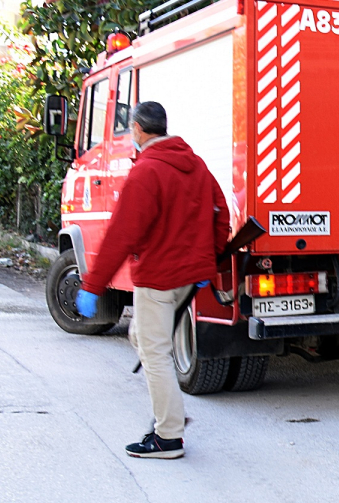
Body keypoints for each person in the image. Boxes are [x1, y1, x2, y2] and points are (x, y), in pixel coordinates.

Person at [75, 101, 230, 459]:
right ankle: (171, 411)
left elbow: (121, 235)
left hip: (158, 278)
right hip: (187, 280)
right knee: (143, 338)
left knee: (153, 352)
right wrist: (211, 262)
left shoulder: (146, 172)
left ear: (138, 130)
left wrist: (92, 286)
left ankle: (168, 437)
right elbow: (220, 215)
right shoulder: (197, 166)